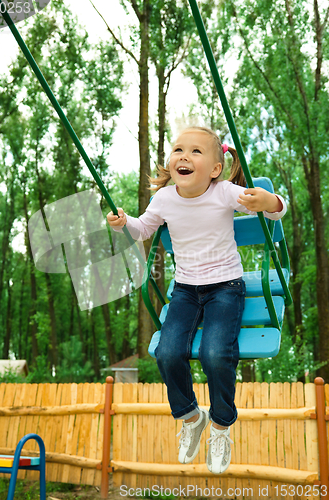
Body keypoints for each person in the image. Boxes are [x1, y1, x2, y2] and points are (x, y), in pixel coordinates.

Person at [107, 126, 286, 474]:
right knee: (167, 351)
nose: (184, 156)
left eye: (195, 152)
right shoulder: (164, 200)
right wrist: (123, 223)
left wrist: (267, 201)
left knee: (216, 354)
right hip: (186, 290)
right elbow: (143, 229)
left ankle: (221, 425)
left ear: (215, 169)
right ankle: (191, 416)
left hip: (225, 287)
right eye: (178, 150)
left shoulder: (225, 193)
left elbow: (278, 211)